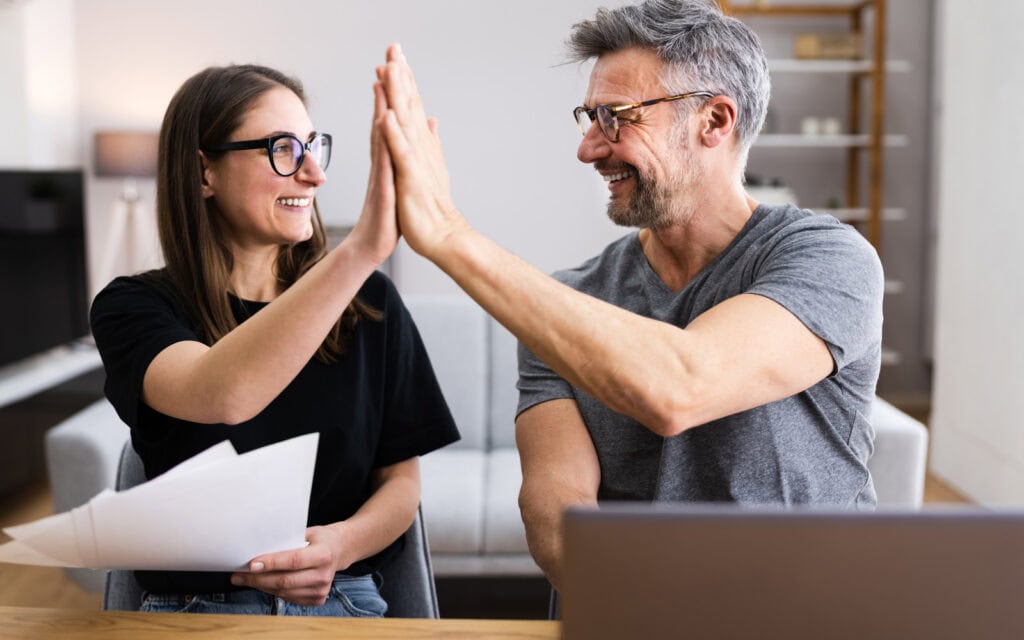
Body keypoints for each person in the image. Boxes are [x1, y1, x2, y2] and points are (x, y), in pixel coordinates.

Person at [375, 0, 883, 590]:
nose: (589, 149)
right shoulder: (570, 304)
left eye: (616, 117)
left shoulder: (828, 260)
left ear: (714, 122)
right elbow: (555, 503)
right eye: (589, 118)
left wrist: (449, 237)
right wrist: (632, 607)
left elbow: (679, 387)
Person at [89, 63, 459, 615]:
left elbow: (402, 485)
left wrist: (338, 547)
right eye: (282, 149)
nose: (313, 174)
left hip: (344, 601)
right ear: (203, 173)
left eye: (313, 146)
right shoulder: (133, 307)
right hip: (198, 611)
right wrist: (360, 249)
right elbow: (222, 394)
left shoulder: (370, 305)